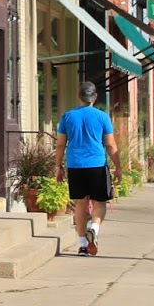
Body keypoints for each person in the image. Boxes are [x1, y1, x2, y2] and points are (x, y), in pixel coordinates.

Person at [54, 82, 121, 256]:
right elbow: (110, 144)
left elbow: (60, 144)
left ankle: (83, 244)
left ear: (79, 96)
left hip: (75, 166)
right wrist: (118, 167)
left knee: (80, 205)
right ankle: (95, 227)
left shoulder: (67, 117)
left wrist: (58, 166)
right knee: (100, 203)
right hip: (97, 165)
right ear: (95, 97)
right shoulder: (102, 117)